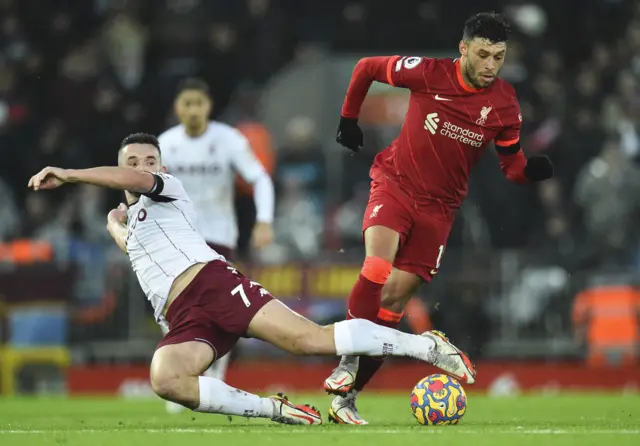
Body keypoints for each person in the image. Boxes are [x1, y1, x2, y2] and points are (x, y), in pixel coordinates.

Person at [27, 132, 476, 426]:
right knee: (167, 379)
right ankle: (277, 410)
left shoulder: (167, 188)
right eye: (134, 161)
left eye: (151, 160)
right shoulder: (139, 220)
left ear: (160, 167)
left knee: (309, 341)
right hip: (184, 316)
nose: (145, 167)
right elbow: (143, 253)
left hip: (213, 285)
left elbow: (132, 184)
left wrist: (69, 174)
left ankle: (426, 346)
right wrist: (117, 230)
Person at [325, 11, 553, 424]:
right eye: (482, 54)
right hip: (395, 184)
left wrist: (529, 172)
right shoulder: (428, 73)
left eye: (498, 57)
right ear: (463, 49)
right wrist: (348, 118)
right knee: (377, 267)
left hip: (440, 210)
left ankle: (348, 396)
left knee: (394, 303)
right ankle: (345, 363)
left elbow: (511, 165)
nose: (490, 65)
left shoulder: (504, 104)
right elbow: (366, 68)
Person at [158, 78, 275, 413]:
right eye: (186, 104)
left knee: (220, 311)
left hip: (217, 237)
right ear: (177, 108)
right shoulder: (165, 144)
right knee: (173, 309)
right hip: (176, 237)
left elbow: (260, 177)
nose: (193, 110)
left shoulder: (228, 139)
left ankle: (213, 372)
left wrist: (264, 220)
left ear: (208, 106)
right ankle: (181, 372)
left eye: (199, 103)